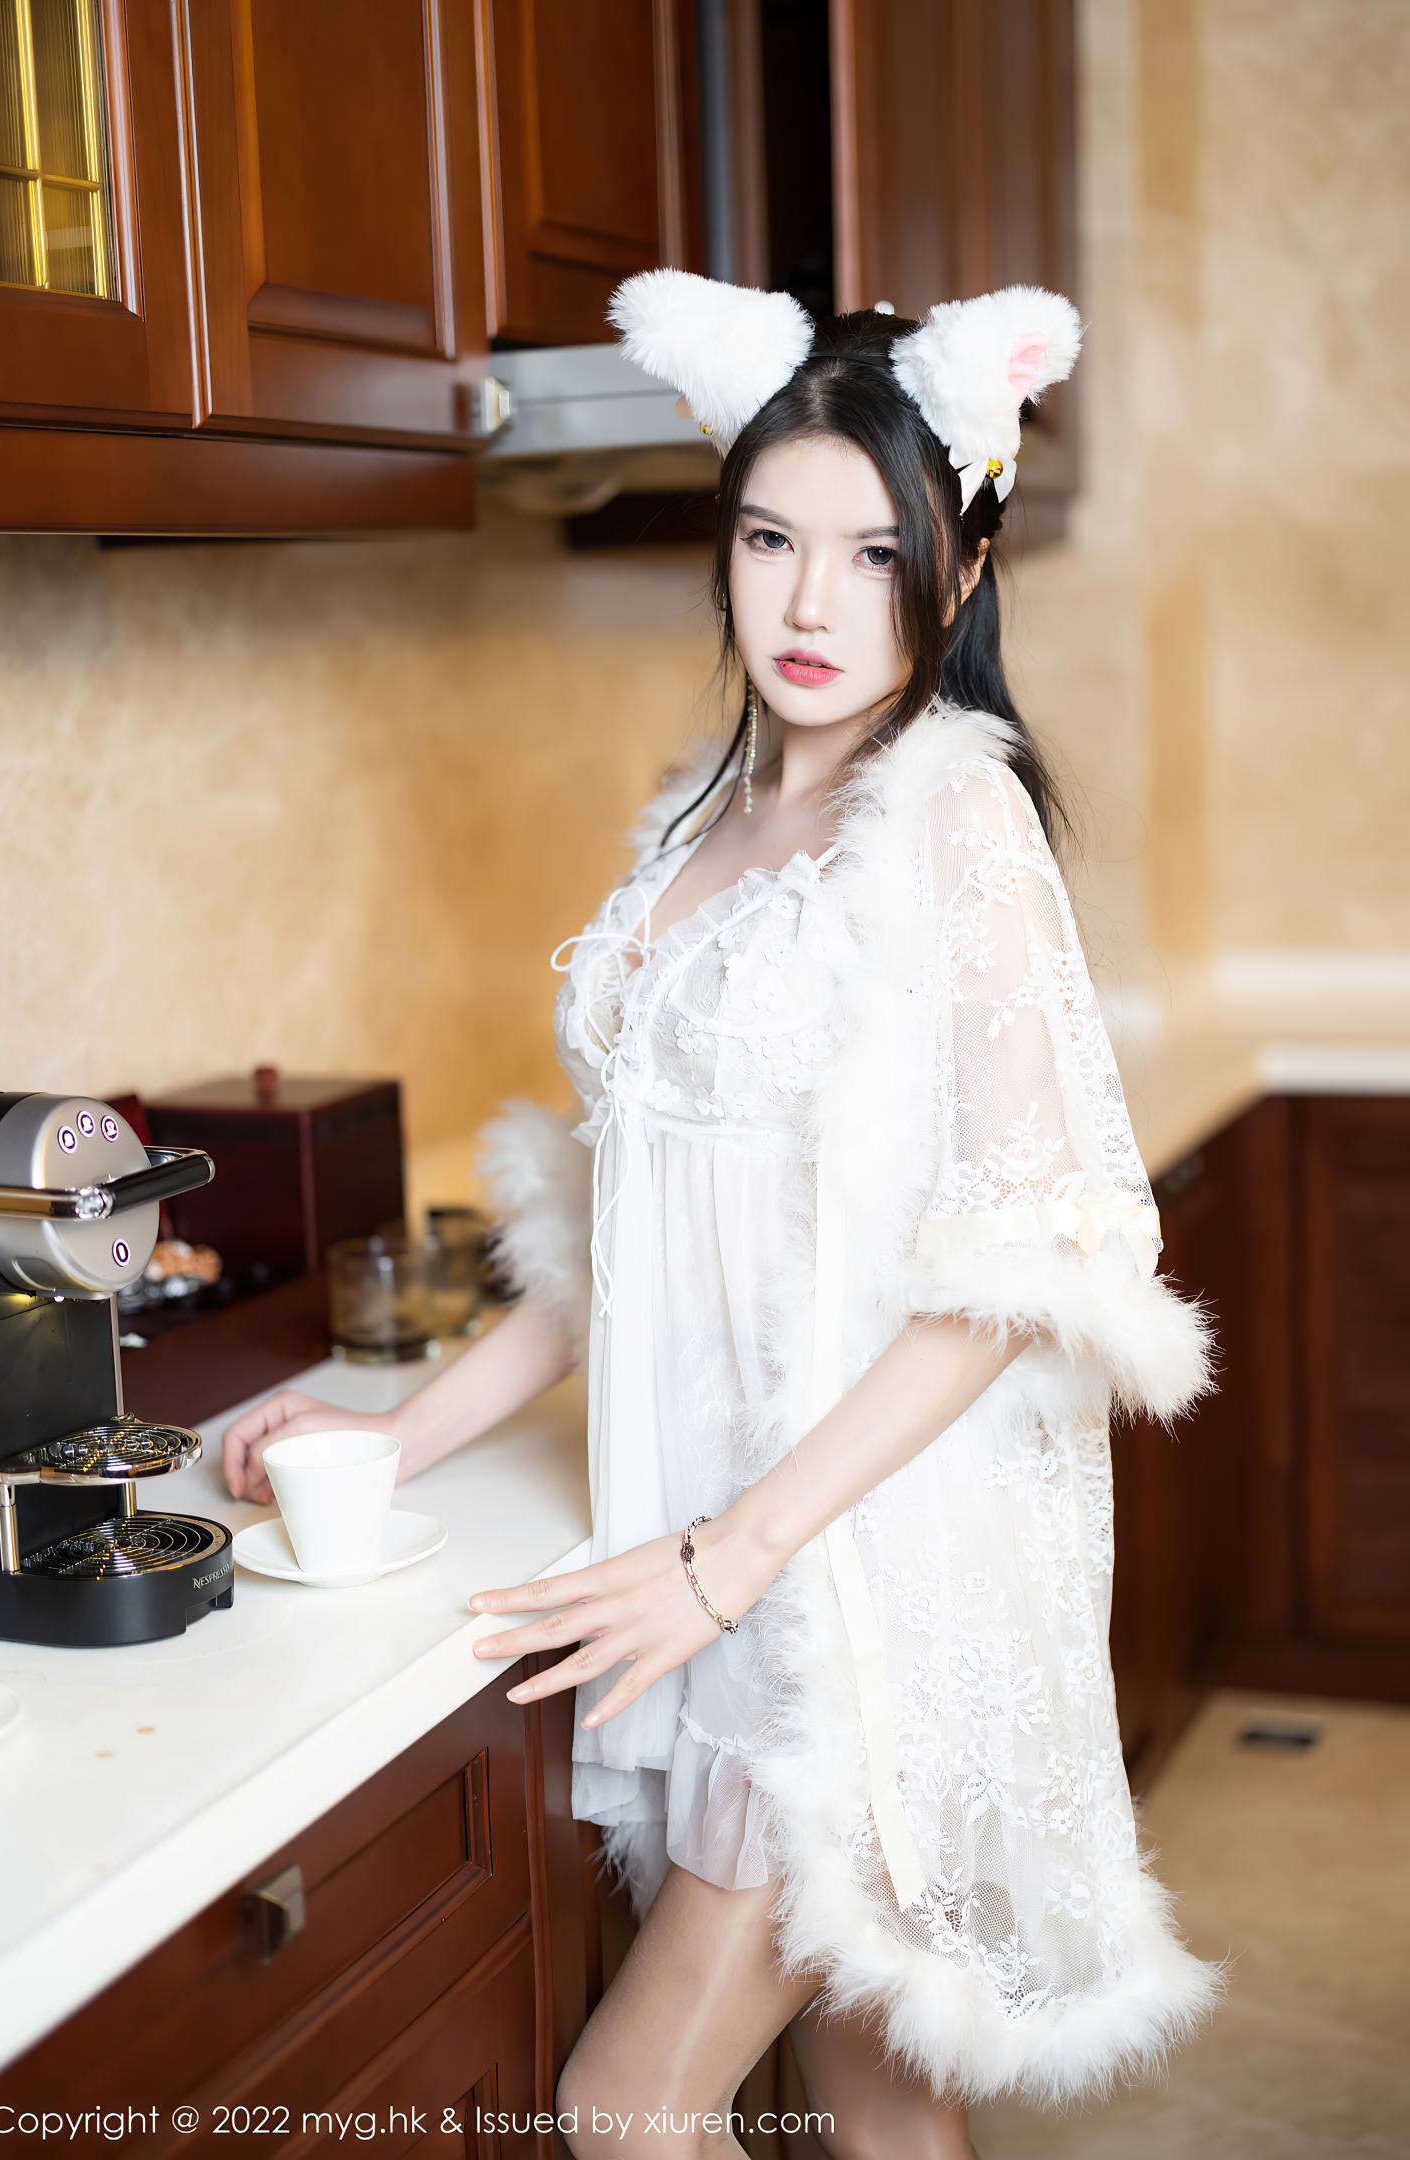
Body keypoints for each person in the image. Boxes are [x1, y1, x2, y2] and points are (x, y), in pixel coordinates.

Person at [224, 274, 1230, 2156]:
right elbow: (632, 1228)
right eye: (772, 539)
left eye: (874, 552)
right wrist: (397, 1435)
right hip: (714, 1538)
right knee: (876, 2099)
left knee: (627, 2107)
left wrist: (729, 1563)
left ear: (962, 562)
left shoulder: (957, 824)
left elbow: (1024, 1270)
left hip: (846, 1577)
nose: (811, 605)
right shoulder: (703, 815)